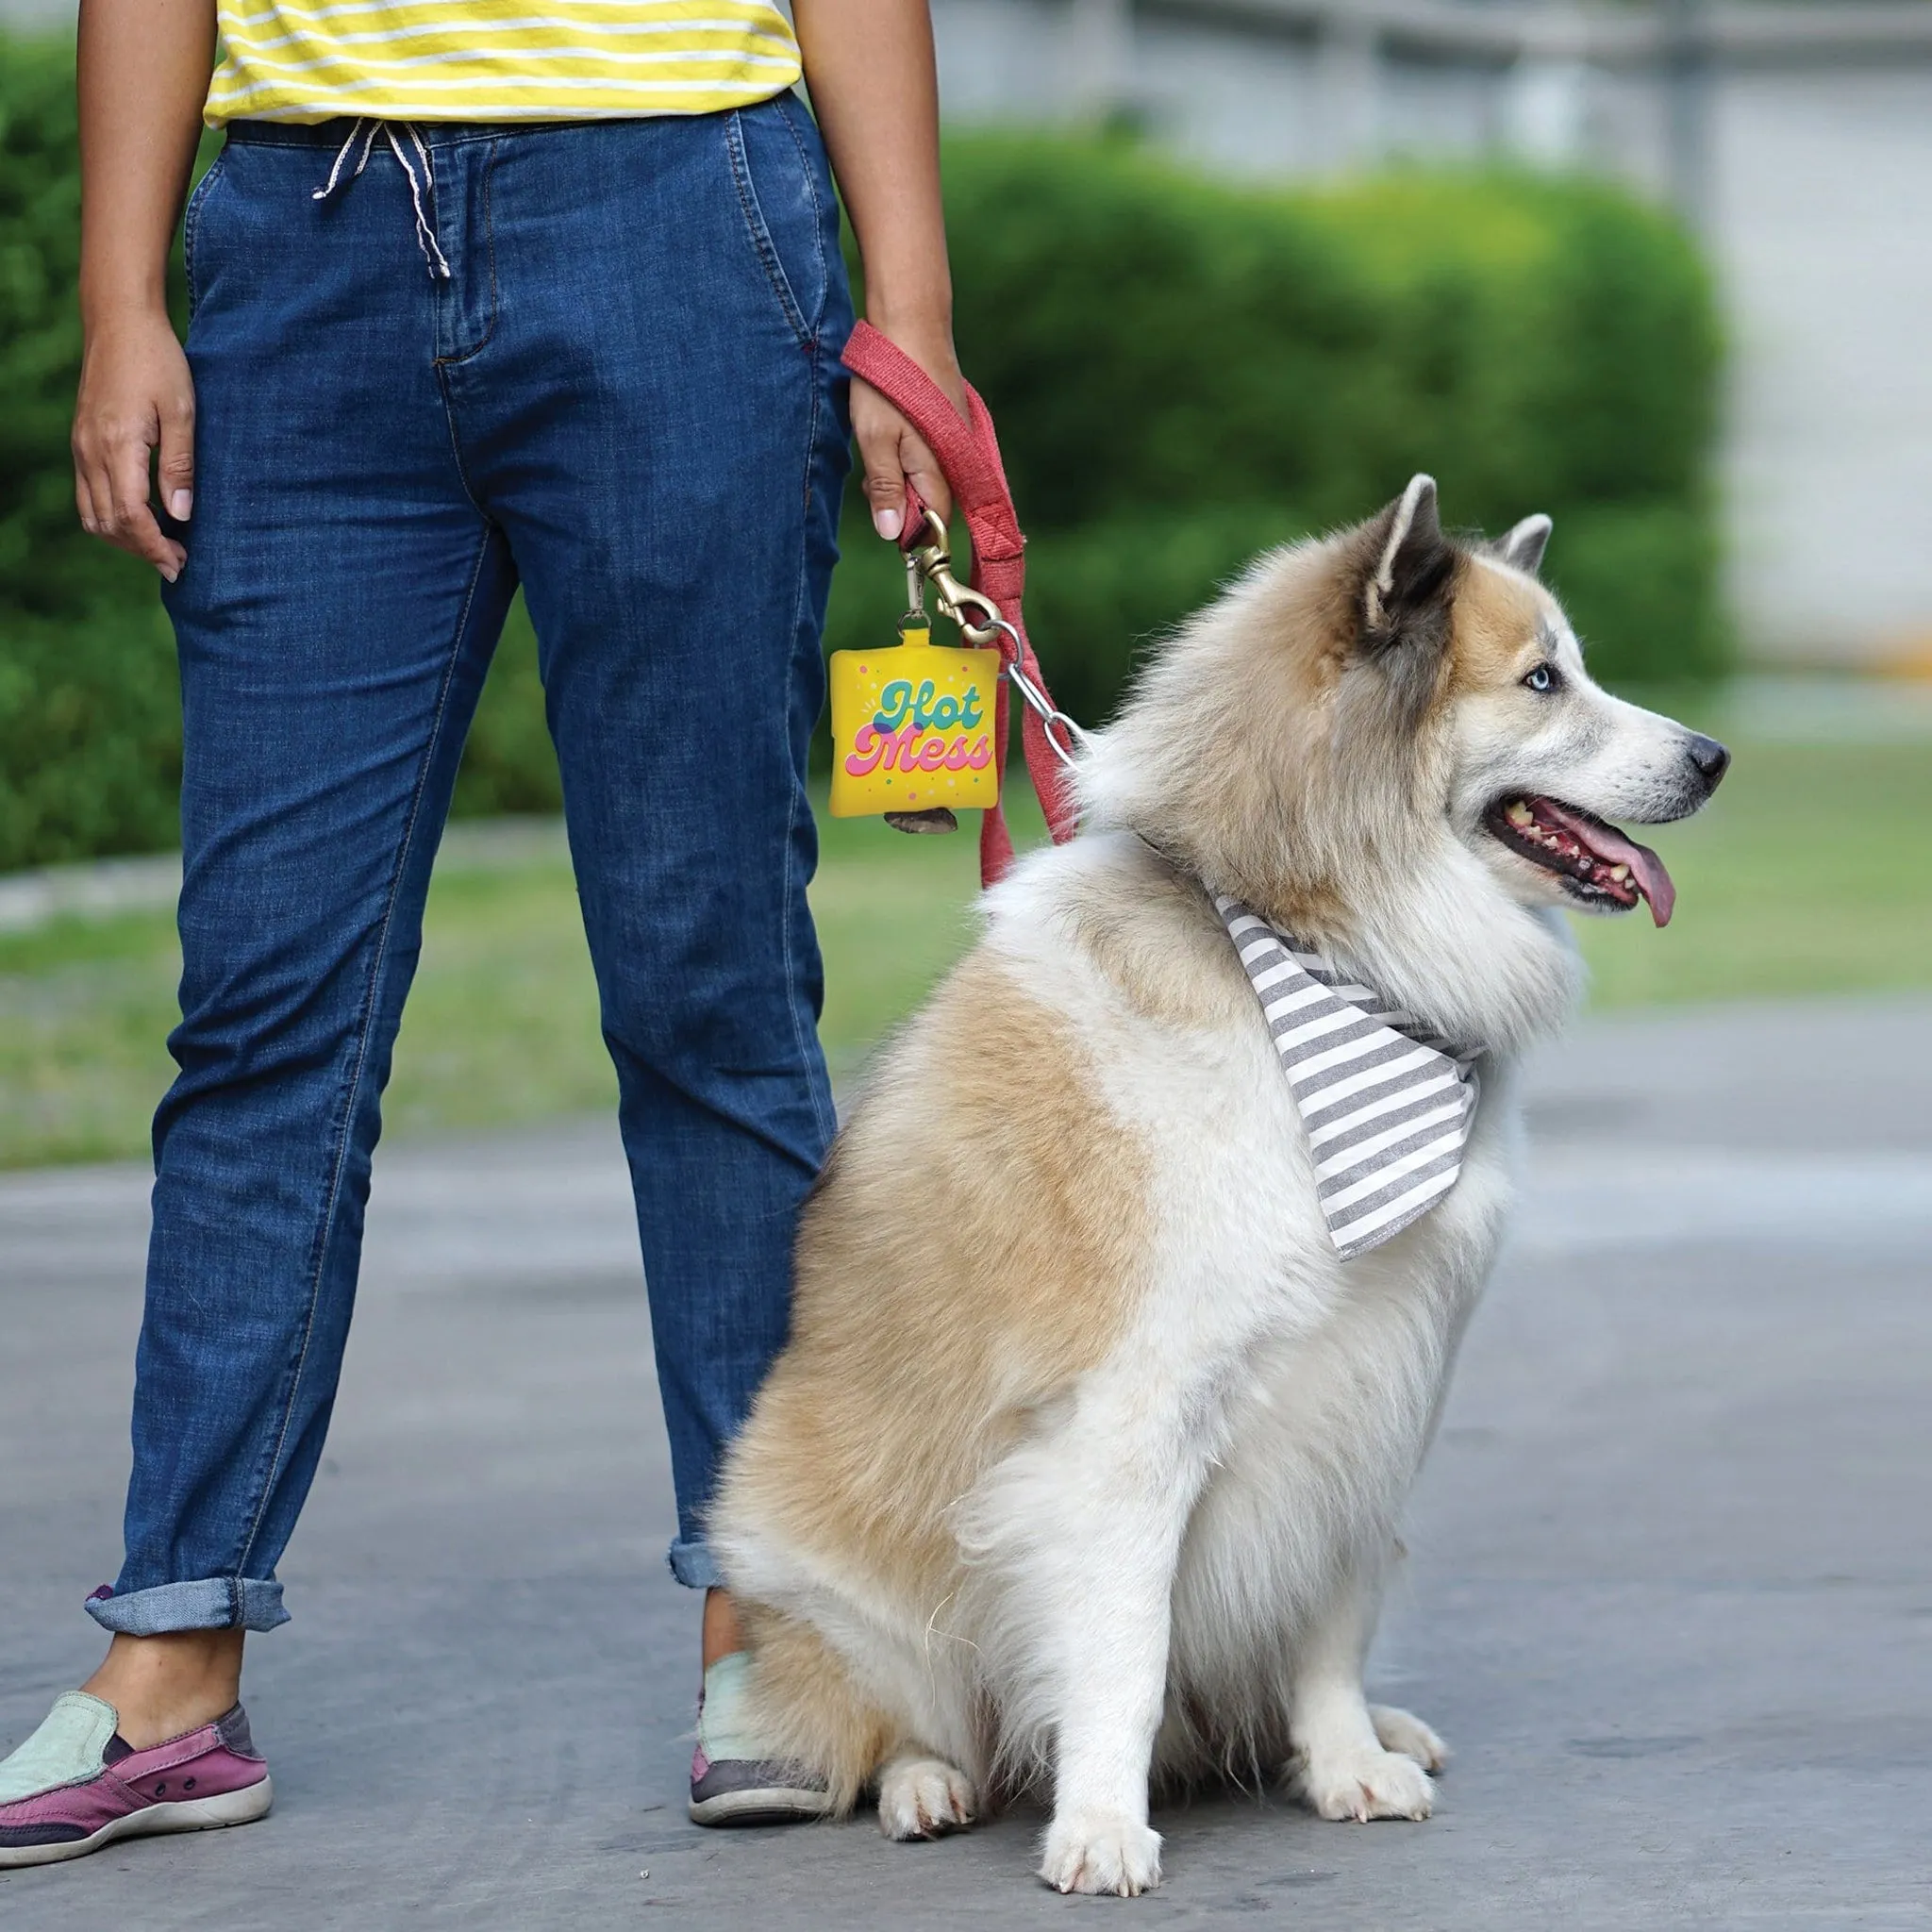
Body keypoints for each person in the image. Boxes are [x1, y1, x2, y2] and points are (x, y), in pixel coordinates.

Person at [0, 0, 965, 1867]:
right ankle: (173, 1648)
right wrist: (124, 297)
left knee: (707, 980)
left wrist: (904, 310)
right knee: (267, 1002)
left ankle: (771, 1619)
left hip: (682, 211)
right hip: (305, 240)